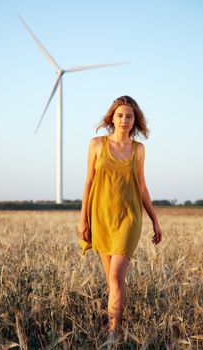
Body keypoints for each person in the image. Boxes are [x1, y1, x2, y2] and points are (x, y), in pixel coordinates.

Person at [78, 95, 162, 348]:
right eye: (120, 115)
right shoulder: (96, 145)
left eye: (130, 116)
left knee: (116, 276)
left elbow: (142, 186)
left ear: (135, 120)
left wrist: (155, 220)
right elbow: (89, 182)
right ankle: (116, 323)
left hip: (129, 217)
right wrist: (83, 219)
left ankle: (113, 334)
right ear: (111, 118)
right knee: (112, 280)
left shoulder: (138, 149)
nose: (125, 120)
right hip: (101, 217)